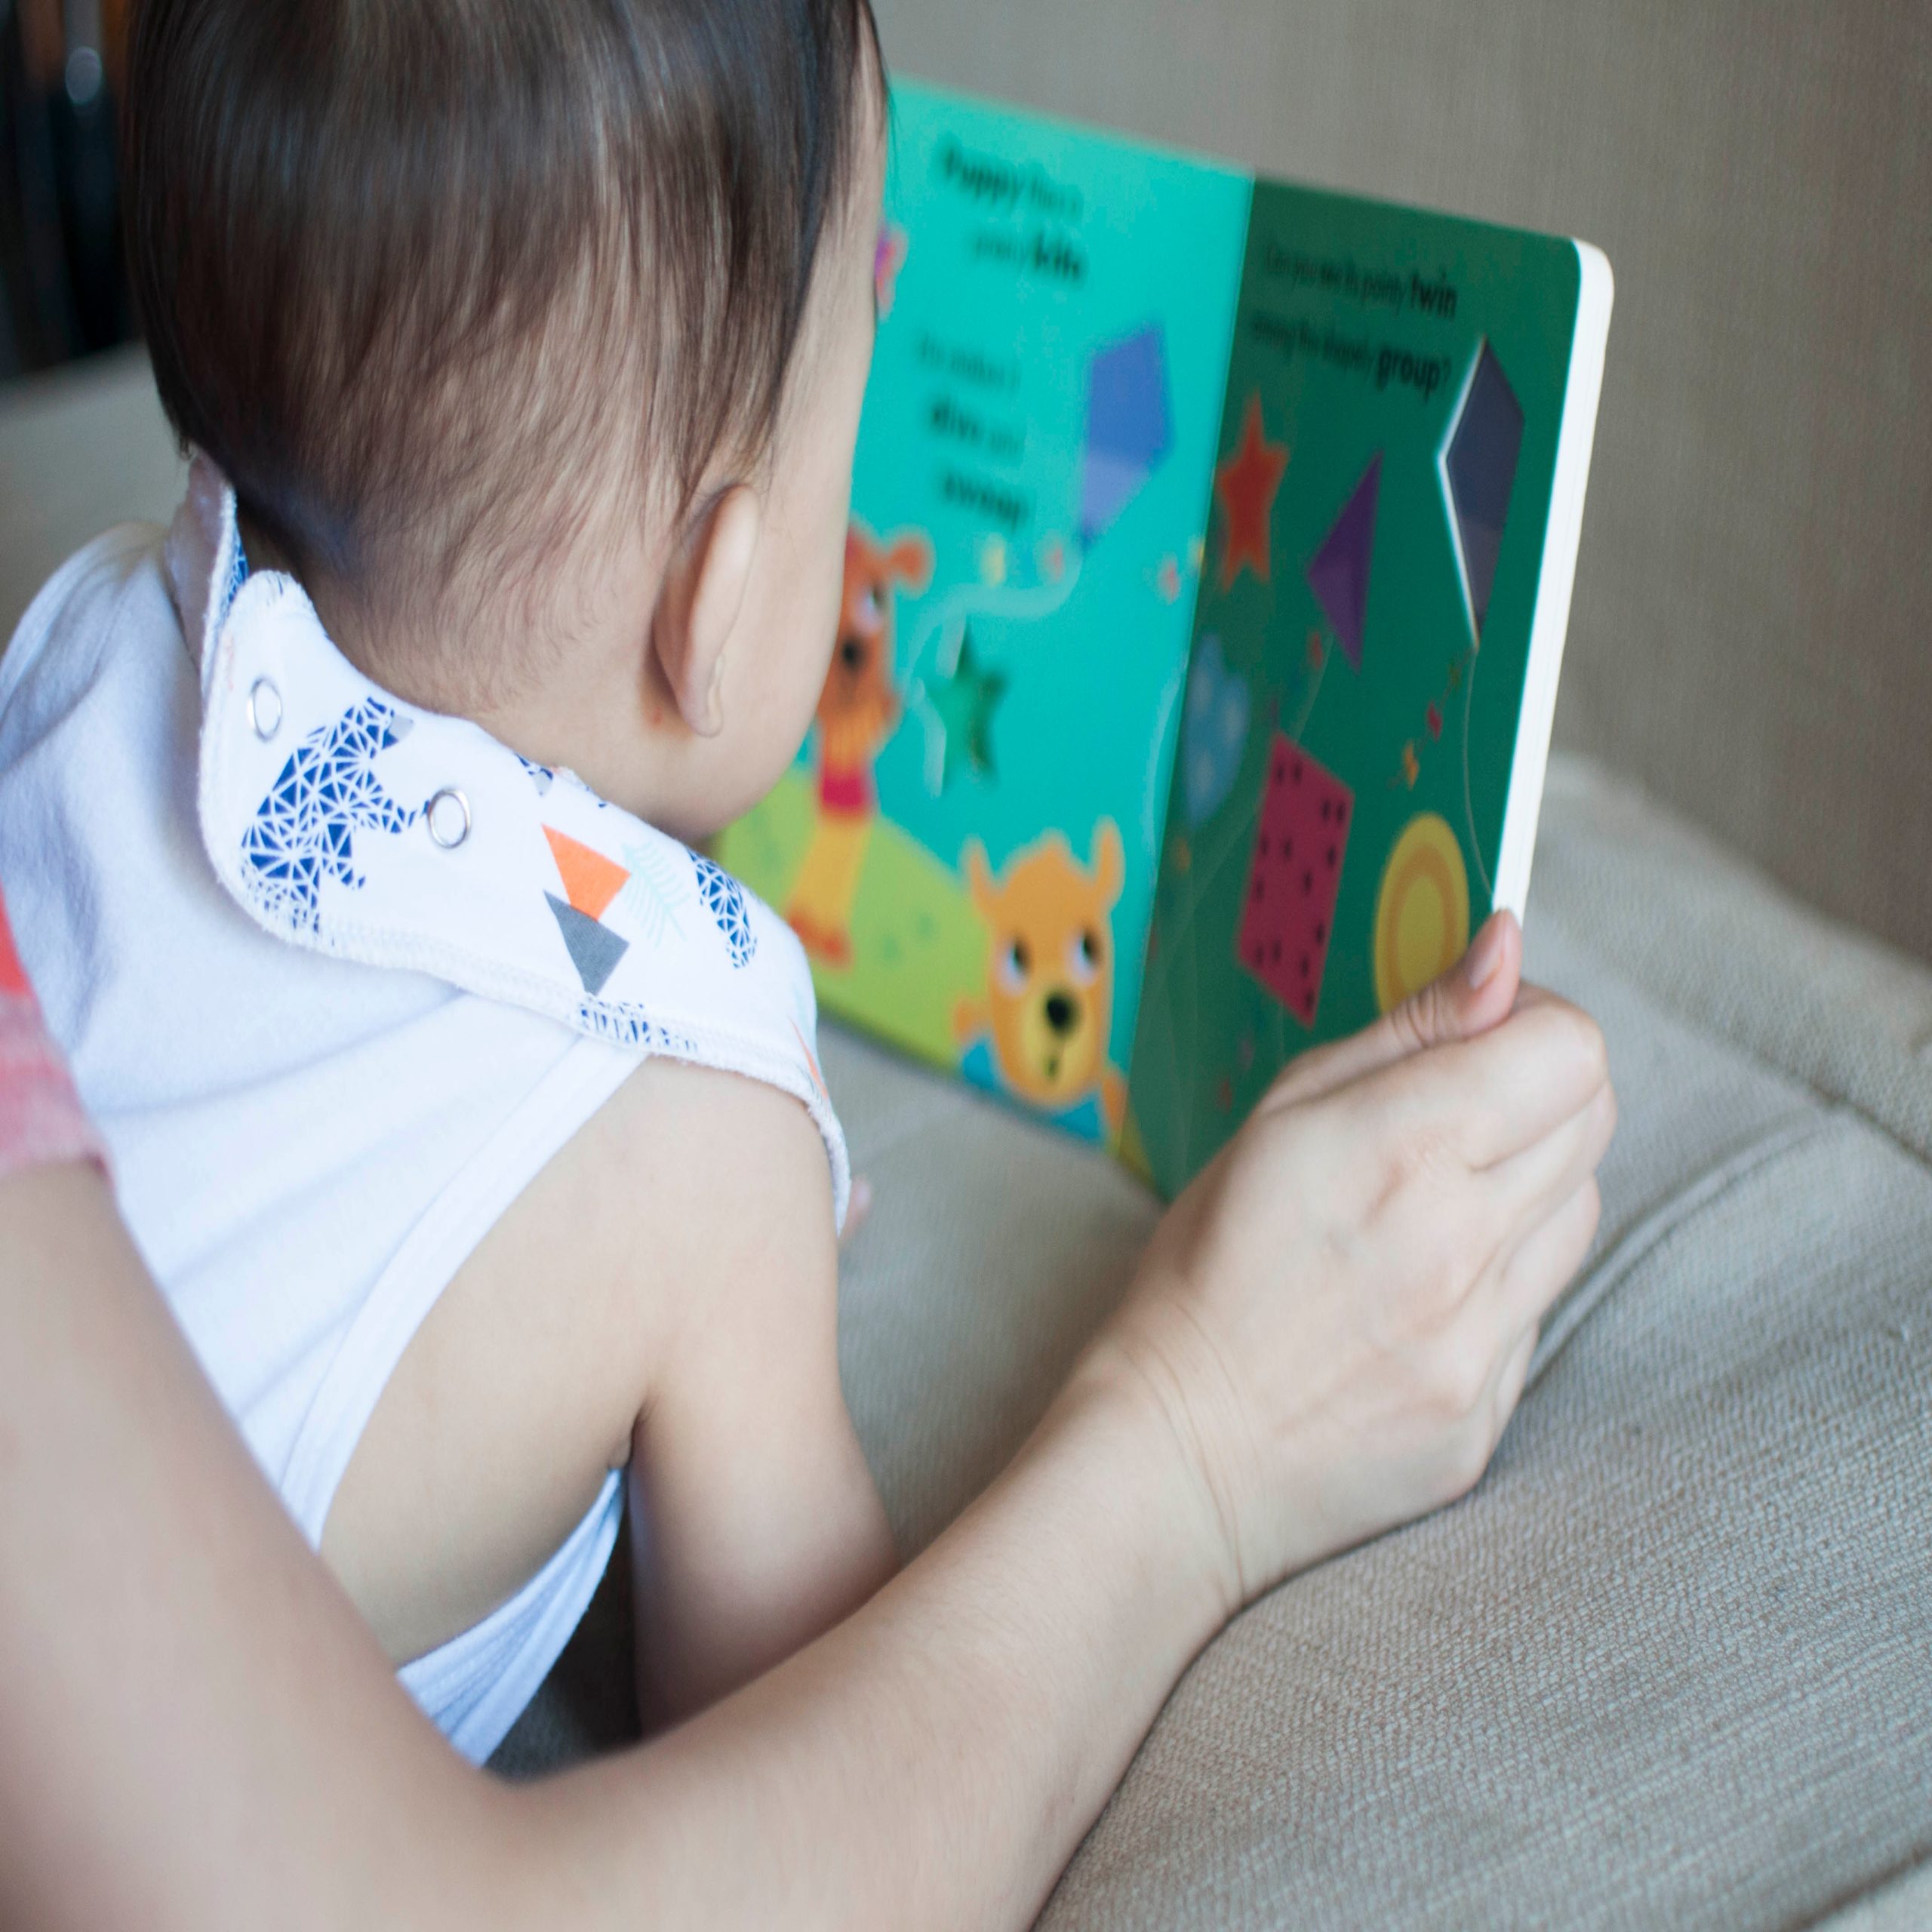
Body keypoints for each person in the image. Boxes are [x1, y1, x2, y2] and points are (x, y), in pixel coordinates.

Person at [0, 0, 1614, 1913]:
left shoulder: (95, 633)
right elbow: (807, 1715)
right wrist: (1190, 1445)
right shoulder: (701, 1115)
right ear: (718, 596)